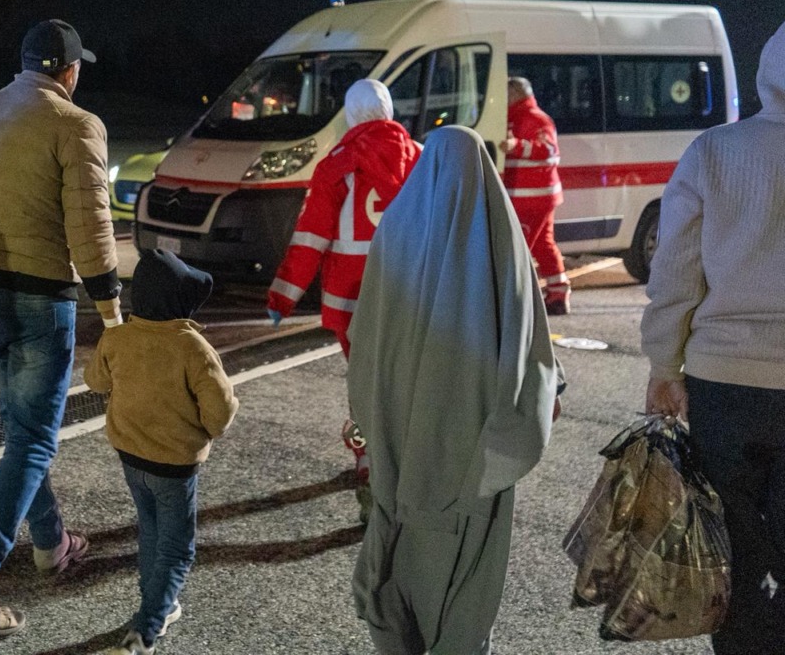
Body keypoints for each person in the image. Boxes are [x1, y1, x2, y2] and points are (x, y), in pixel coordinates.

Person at [0, 18, 122, 639]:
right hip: (43, 297)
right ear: (69, 71)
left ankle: (50, 542)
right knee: (36, 440)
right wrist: (111, 313)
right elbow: (90, 228)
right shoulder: (77, 124)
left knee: (20, 427)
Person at [347, 126, 560, 655]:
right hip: (472, 445)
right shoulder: (499, 239)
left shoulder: (397, 228)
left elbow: (368, 333)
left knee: (396, 539)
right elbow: (528, 340)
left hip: (398, 430)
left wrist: (370, 408)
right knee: (468, 568)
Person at [641, 21, 785, 654]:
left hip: (723, 380)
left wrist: (664, 364)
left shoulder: (713, 151)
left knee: (732, 539)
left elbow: (675, 267)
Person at [265, 78, 420, 523]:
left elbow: (310, 238)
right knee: (405, 378)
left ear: (351, 115)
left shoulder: (336, 165)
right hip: (408, 293)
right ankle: (406, 463)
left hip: (352, 300)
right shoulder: (422, 158)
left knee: (364, 382)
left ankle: (368, 460)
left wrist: (283, 296)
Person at [85, 249, 239, 655]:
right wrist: (209, 429)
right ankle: (144, 632)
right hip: (175, 466)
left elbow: (95, 381)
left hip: (130, 457)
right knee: (176, 548)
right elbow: (219, 411)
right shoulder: (193, 347)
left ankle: (158, 604)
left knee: (150, 532)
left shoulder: (118, 337)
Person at [503, 76, 570, 315]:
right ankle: (558, 293)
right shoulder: (518, 117)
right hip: (534, 196)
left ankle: (516, 299)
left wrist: (517, 146)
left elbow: (550, 150)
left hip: (532, 197)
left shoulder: (536, 119)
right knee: (543, 244)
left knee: (519, 248)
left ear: (515, 94)